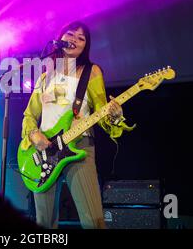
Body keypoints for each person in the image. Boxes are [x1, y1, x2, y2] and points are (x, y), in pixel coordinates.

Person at [20, 21, 135, 229]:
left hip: (80, 146)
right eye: (71, 34)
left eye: (81, 38)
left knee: (93, 221)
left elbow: (102, 112)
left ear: (85, 47)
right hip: (44, 151)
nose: (74, 39)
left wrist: (115, 117)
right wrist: (34, 135)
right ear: (61, 38)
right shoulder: (46, 76)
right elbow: (30, 114)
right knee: (44, 223)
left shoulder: (92, 72)